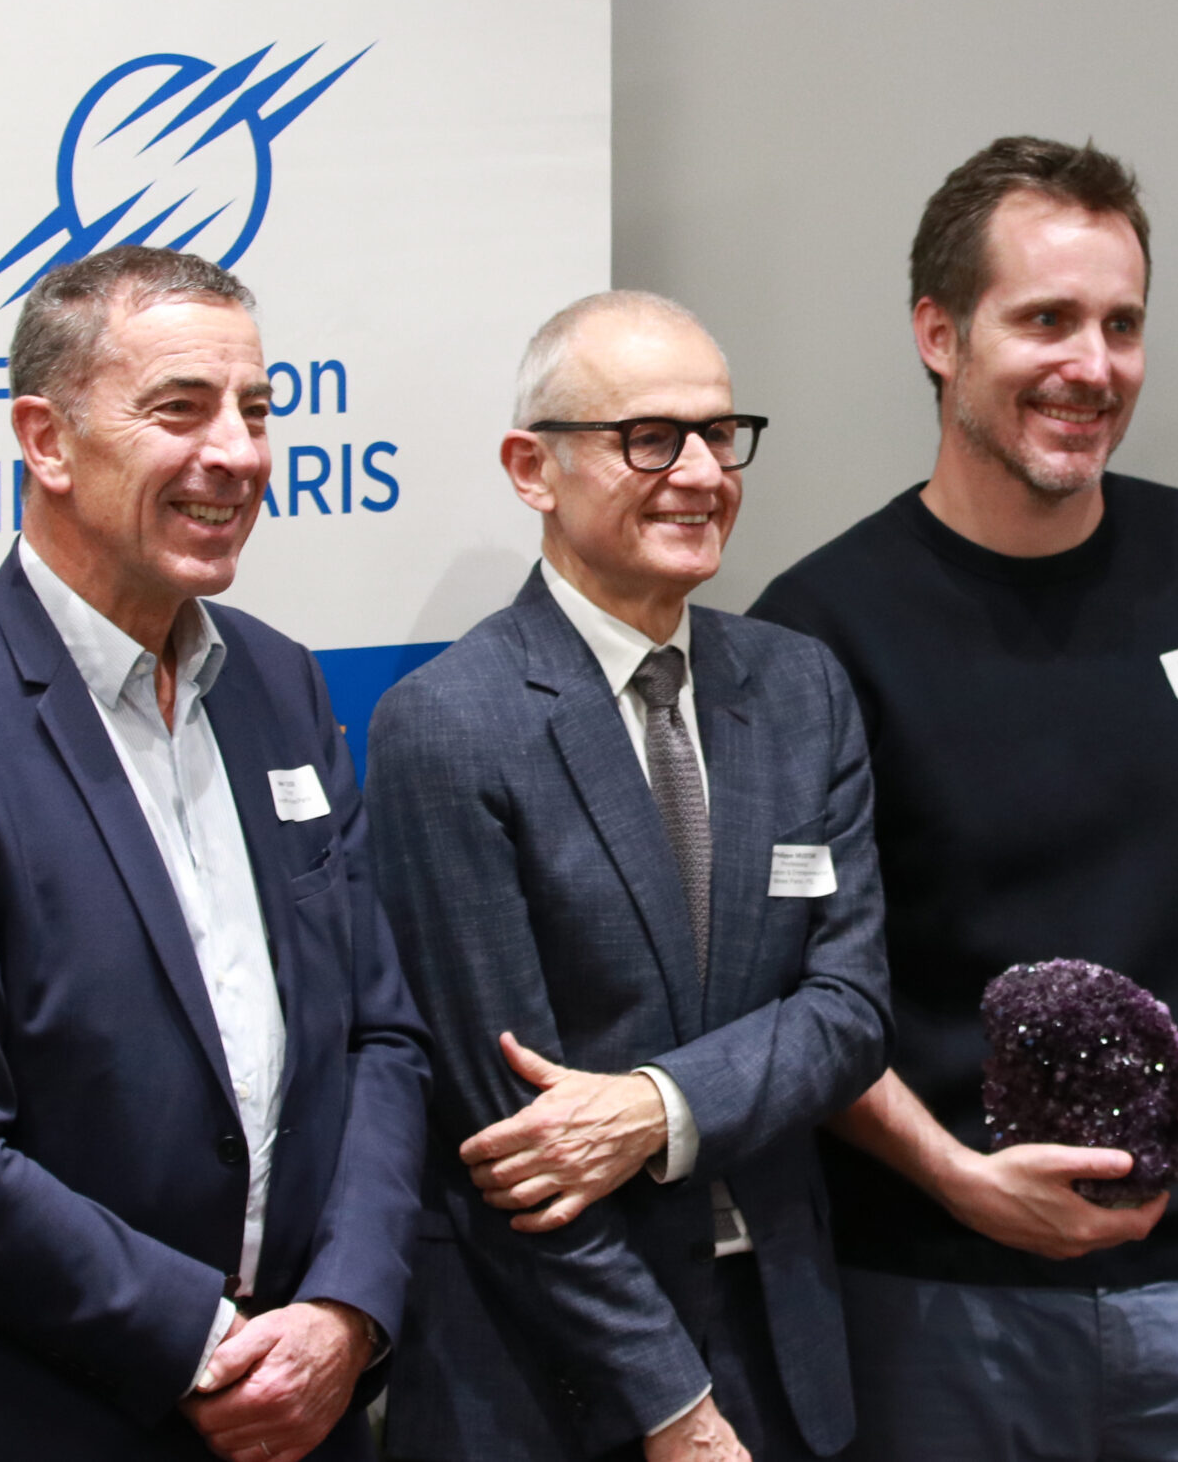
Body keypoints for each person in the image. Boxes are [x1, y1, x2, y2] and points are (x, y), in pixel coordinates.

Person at [0, 245, 430, 1461]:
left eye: (256, 410)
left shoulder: (284, 685)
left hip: (308, 1405)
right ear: (46, 440)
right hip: (36, 1415)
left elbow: (379, 1038)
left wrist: (344, 1314)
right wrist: (206, 1346)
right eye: (180, 409)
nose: (237, 453)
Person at [749, 136, 1178, 1461]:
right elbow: (780, 984)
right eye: (1046, 319)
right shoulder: (819, 634)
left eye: (1122, 324)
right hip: (936, 1298)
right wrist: (957, 1178)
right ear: (939, 334)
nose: (1093, 365)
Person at [367, 292, 891, 1462]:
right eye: (649, 438)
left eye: (720, 433)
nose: (700, 473)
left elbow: (851, 1012)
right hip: (551, 1370)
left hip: (782, 1339)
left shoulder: (800, 690)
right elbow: (512, 1137)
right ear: (533, 469)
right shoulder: (449, 726)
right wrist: (673, 1405)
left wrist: (661, 1105)